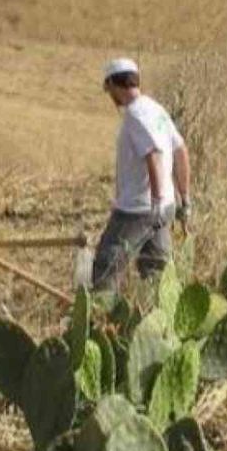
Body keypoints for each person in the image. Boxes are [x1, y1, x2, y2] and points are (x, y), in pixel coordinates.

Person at [90, 58, 192, 291]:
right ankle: (157, 322)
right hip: (165, 207)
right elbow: (180, 150)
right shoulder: (155, 108)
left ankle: (101, 322)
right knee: (156, 274)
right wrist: (184, 199)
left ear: (114, 85)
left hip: (137, 210)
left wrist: (154, 202)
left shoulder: (135, 114)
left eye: (109, 89)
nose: (110, 96)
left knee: (106, 267)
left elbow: (154, 155)